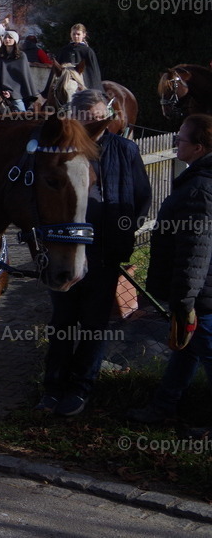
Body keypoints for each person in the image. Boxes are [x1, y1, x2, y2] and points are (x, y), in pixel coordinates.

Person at [35, 89, 151, 417]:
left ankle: (80, 388)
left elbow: (141, 196)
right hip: (62, 251)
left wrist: (121, 232)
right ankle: (52, 389)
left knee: (94, 324)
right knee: (62, 323)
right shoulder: (61, 150)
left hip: (102, 254)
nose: (91, 126)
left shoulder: (124, 150)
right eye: (83, 120)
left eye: (97, 119)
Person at [127, 113, 212, 428]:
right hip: (200, 291)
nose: (176, 141)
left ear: (199, 148)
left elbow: (196, 250)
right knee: (185, 353)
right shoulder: (200, 180)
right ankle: (163, 407)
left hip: (201, 295)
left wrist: (186, 301)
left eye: (182, 139)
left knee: (205, 351)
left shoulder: (199, 188)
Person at [0, 30, 38, 112]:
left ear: (15, 40)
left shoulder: (21, 56)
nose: (7, 39)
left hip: (15, 94)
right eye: (5, 37)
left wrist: (11, 93)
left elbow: (21, 78)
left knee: (21, 112)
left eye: (10, 37)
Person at [55, 23, 102, 91]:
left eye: (78, 34)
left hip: (83, 83)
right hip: (65, 81)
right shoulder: (64, 50)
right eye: (73, 34)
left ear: (84, 35)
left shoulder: (88, 51)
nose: (76, 36)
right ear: (70, 34)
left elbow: (93, 72)